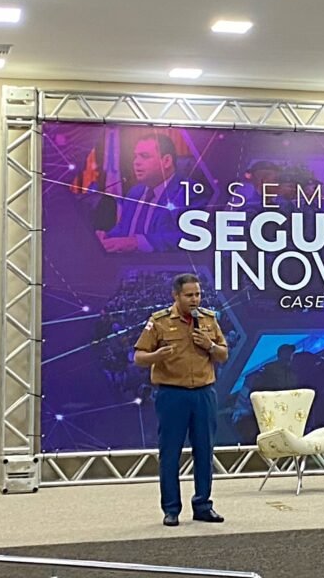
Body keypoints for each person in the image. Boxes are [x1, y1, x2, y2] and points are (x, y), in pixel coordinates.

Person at [133, 273, 229, 527]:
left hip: (204, 393)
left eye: (197, 294)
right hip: (172, 394)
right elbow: (139, 357)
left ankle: (203, 505)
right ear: (176, 296)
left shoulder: (208, 319)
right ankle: (171, 509)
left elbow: (223, 355)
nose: (195, 299)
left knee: (204, 450)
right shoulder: (159, 321)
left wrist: (209, 345)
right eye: (189, 295)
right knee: (170, 452)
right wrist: (157, 356)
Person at [101, 135, 184, 253]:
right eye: (135, 156)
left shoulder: (187, 194)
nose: (136, 162)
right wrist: (106, 237)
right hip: (124, 263)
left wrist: (137, 243)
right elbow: (123, 230)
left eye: (144, 156)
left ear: (166, 161)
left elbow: (186, 238)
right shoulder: (135, 193)